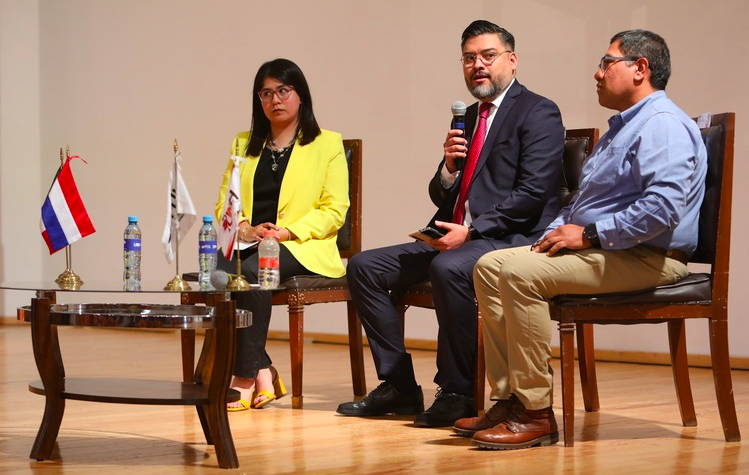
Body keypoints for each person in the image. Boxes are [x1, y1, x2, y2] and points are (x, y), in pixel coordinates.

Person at [456, 29, 708, 450]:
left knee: (519, 273)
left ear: (640, 69)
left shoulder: (662, 125)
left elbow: (663, 209)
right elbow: (581, 204)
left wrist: (589, 234)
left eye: (607, 63)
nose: (597, 73)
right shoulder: (622, 128)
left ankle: (536, 413)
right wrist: (559, 230)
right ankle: (510, 398)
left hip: (648, 255)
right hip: (612, 248)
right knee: (489, 265)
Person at [336, 20, 565, 428]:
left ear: (511, 60)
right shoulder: (471, 117)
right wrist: (448, 167)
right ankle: (399, 385)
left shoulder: (538, 111)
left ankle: (457, 391)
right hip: (456, 234)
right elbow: (444, 194)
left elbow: (533, 194)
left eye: (487, 56)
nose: (477, 65)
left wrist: (473, 232)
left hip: (510, 239)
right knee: (364, 267)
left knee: (449, 267)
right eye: (469, 58)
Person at [215, 58, 350, 411]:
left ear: (300, 96)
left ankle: (243, 376)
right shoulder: (243, 143)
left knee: (260, 267)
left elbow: (335, 209)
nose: (275, 100)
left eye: (283, 91)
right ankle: (264, 370)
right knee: (220, 268)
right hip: (251, 241)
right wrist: (245, 227)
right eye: (266, 93)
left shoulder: (327, 144)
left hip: (303, 245)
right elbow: (223, 206)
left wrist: (288, 231)